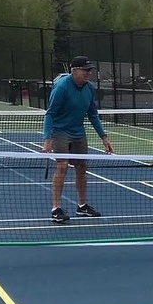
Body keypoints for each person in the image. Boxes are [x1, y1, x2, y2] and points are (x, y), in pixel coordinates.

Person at [42, 56, 113, 224]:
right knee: (62, 165)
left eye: (90, 70)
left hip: (78, 131)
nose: (88, 73)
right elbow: (50, 114)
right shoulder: (61, 87)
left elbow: (93, 114)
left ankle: (82, 206)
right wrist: (47, 138)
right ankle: (56, 208)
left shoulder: (89, 88)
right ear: (74, 71)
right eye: (85, 70)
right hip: (60, 131)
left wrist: (104, 137)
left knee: (81, 167)